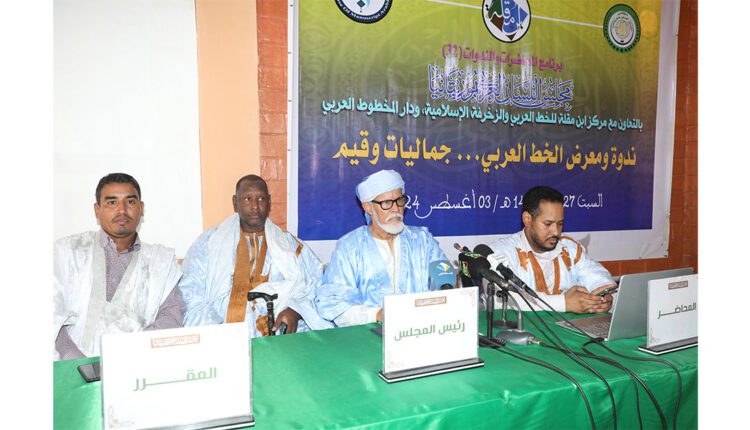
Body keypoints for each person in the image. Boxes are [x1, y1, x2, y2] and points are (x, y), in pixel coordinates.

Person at [179, 174, 331, 337]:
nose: (255, 207)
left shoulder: (290, 246)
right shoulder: (210, 243)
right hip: (220, 333)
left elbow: (316, 284)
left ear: (269, 202)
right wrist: (216, 331)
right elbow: (191, 292)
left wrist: (295, 311)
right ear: (235, 203)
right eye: (247, 199)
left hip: (277, 337)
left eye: (261, 199)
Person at [53, 173, 185, 360]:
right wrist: (74, 360)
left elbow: (171, 314)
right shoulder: (66, 252)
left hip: (137, 365)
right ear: (97, 210)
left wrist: (136, 355)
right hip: (69, 366)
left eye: (130, 202)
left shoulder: (160, 261)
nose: (122, 210)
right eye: (112, 202)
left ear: (141, 208)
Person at [316, 169, 448, 326]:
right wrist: (377, 314)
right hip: (367, 333)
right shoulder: (349, 248)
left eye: (400, 200)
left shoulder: (423, 240)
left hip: (422, 328)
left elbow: (445, 281)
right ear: (368, 207)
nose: (396, 209)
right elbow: (334, 304)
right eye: (386, 203)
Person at [488, 186, 616, 313]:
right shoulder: (501, 252)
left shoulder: (569, 248)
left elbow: (597, 277)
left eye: (560, 224)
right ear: (527, 219)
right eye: (548, 224)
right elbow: (498, 299)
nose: (556, 232)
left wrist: (602, 297)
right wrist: (563, 303)